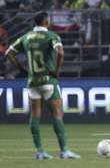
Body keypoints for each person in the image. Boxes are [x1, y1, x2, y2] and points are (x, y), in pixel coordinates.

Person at [5, 11, 80, 160]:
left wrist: (20, 68)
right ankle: (64, 151)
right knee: (57, 114)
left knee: (35, 116)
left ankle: (40, 151)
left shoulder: (26, 37)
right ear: (46, 22)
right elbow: (61, 52)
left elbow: (8, 52)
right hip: (48, 81)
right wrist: (57, 71)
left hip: (32, 81)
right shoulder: (52, 36)